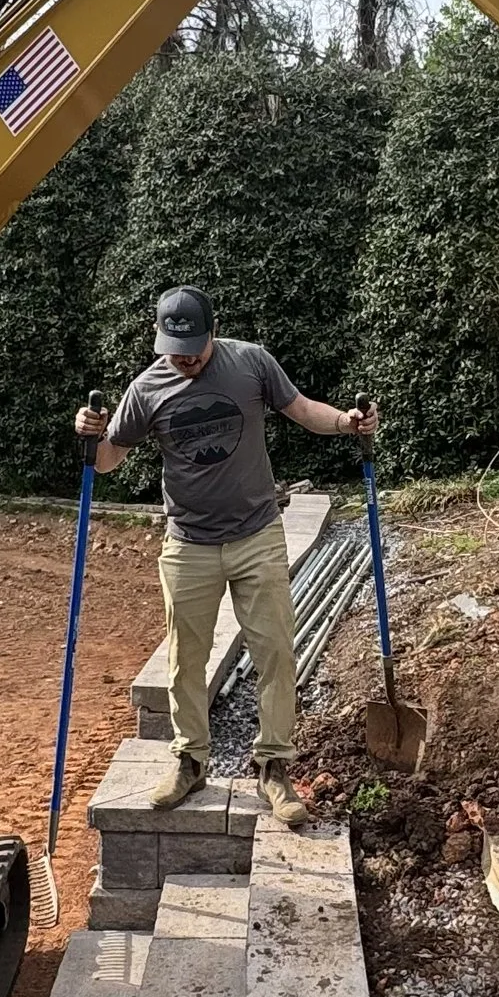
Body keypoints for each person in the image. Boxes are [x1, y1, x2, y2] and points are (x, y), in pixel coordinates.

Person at [76, 286, 375, 828]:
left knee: (276, 652)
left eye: (194, 347)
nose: (186, 359)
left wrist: (346, 422)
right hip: (188, 543)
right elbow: (108, 459)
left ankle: (273, 767)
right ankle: (190, 762)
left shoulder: (251, 363)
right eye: (175, 349)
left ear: (213, 331)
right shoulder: (146, 388)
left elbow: (302, 409)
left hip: (257, 535)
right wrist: (90, 436)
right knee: (185, 660)